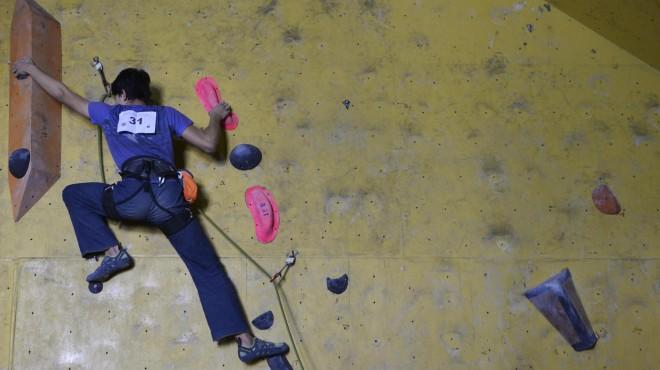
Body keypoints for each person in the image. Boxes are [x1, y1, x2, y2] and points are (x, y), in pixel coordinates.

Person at [11, 57, 289, 364]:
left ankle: (113, 252)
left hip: (131, 197)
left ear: (123, 95)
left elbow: (63, 94)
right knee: (208, 270)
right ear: (145, 95)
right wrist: (214, 116)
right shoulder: (166, 115)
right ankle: (246, 342)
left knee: (75, 195)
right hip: (170, 201)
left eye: (117, 95)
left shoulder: (111, 114)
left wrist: (33, 69)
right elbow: (210, 144)